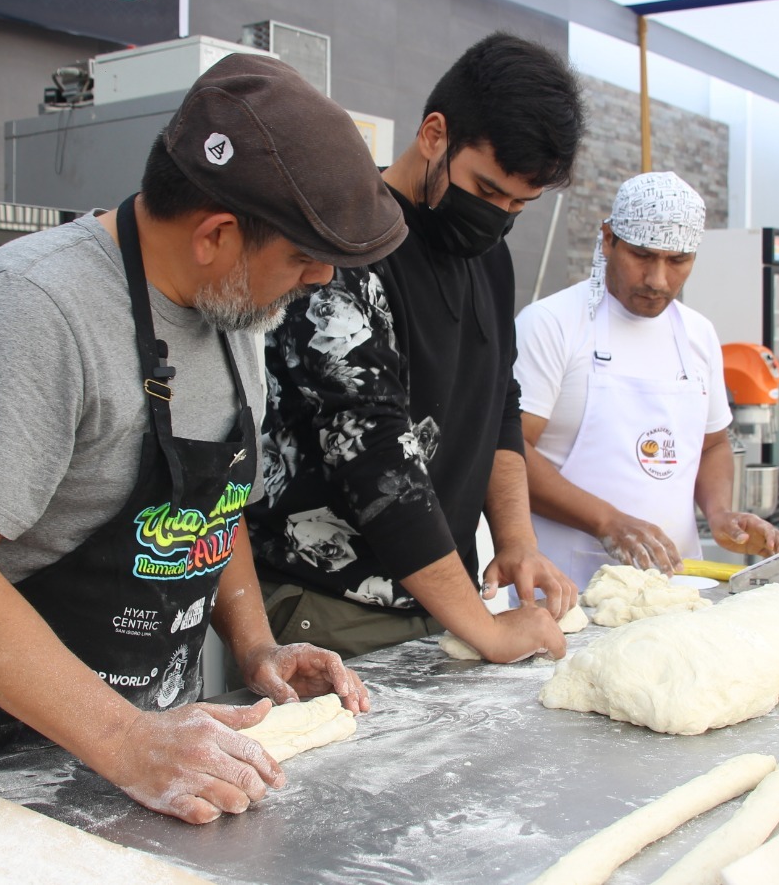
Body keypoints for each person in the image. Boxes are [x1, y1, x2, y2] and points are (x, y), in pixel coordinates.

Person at [0, 54, 406, 825]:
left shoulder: (235, 311)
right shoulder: (30, 311)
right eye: (302, 257)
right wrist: (127, 741)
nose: (319, 279)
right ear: (216, 234)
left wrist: (257, 647)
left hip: (153, 757)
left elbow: (209, 507)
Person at [247, 33, 587, 663]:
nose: (498, 216)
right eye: (487, 190)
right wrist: (488, 632)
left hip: (443, 598)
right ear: (435, 134)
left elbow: (499, 407)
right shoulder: (345, 249)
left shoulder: (491, 258)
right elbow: (373, 455)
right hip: (334, 602)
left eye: (519, 204)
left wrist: (517, 539)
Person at [514, 171, 779, 589]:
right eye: (642, 255)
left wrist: (719, 514)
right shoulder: (551, 324)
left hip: (678, 586)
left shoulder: (698, 335)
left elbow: (713, 444)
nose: (658, 280)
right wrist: (607, 521)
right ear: (608, 240)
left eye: (678, 261)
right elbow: (509, 452)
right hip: (566, 586)